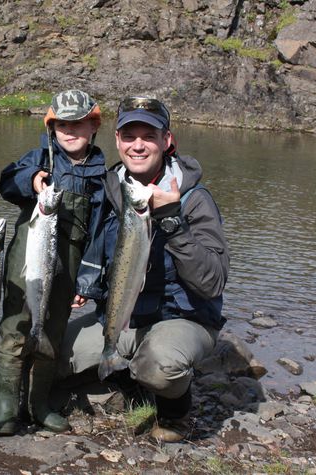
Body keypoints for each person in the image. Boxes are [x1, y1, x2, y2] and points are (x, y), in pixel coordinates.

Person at [58, 96, 229, 443]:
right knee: (53, 353)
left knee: (161, 365)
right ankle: (126, 380)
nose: (138, 146)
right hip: (122, 317)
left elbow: (212, 283)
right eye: (129, 136)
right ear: (117, 141)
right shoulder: (110, 189)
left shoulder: (195, 199)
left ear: (167, 141)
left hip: (182, 318)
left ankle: (175, 413)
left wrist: (174, 222)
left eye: (148, 136)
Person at [0, 90, 108, 435]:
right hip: (26, 260)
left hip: (68, 269)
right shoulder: (38, 160)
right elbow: (6, 183)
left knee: (51, 333)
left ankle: (38, 405)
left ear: (93, 126)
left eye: (79, 123)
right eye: (62, 125)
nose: (70, 131)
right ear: (51, 127)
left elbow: (100, 234)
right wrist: (30, 181)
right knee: (15, 328)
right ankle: (6, 406)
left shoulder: (102, 177)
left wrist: (88, 282)